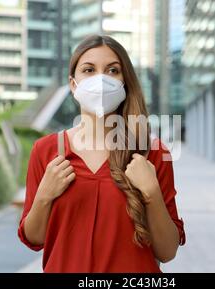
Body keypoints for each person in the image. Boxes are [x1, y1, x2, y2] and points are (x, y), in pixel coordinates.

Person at [17, 35, 185, 273]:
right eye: (89, 70)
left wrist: (152, 193)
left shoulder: (153, 154)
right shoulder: (46, 151)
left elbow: (167, 251)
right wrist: (44, 196)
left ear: (125, 82)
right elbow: (34, 239)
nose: (101, 79)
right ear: (73, 84)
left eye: (113, 70)